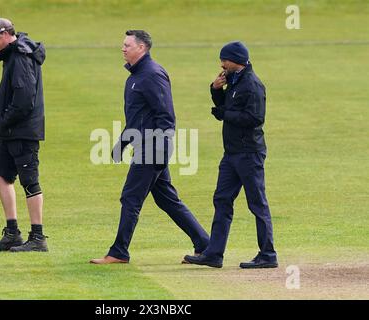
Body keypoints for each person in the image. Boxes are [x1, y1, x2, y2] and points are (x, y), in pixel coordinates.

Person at [90, 30, 209, 264]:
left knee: (130, 198)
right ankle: (205, 244)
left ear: (142, 48)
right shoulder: (135, 76)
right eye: (122, 44)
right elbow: (137, 118)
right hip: (145, 145)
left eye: (127, 45)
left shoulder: (152, 74)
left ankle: (118, 252)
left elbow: (166, 115)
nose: (123, 48)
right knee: (167, 200)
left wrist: (160, 147)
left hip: (152, 148)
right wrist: (122, 143)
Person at [184, 41, 278, 268]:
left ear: (236, 60)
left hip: (249, 154)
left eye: (224, 60)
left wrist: (226, 114)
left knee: (257, 203)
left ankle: (268, 255)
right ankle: (214, 254)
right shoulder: (234, 81)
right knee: (222, 199)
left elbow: (255, 118)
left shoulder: (252, 85)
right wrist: (215, 90)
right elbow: (225, 106)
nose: (221, 64)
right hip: (232, 154)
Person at [0, 18, 48, 252]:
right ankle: (12, 233)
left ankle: (38, 238)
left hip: (22, 131)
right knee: (1, 175)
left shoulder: (19, 58)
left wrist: (6, 121)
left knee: (30, 182)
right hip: (11, 131)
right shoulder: (13, 55)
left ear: (5, 34)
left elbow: (24, 100)